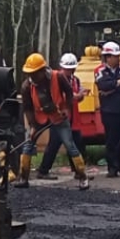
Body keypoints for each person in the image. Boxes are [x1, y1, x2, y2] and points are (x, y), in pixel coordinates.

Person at [18, 53, 89, 190]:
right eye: (29, 73)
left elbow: (69, 92)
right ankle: (23, 177)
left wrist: (67, 109)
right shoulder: (27, 86)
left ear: (42, 71)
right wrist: (33, 126)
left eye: (34, 73)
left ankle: (82, 177)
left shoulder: (58, 77)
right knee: (28, 145)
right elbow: (27, 108)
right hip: (39, 119)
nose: (32, 76)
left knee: (70, 145)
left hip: (58, 116)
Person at [35, 53, 89, 180]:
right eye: (67, 68)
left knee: (76, 143)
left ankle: (77, 170)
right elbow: (56, 96)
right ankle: (43, 170)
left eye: (72, 69)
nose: (70, 71)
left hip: (73, 117)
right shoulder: (55, 79)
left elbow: (78, 95)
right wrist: (75, 96)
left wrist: (79, 96)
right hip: (58, 117)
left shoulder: (75, 80)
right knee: (54, 144)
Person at [95, 41, 120, 178]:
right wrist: (117, 83)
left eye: (118, 56)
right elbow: (102, 85)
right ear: (107, 57)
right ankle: (112, 167)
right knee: (112, 139)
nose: (118, 58)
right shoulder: (100, 71)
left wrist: (112, 88)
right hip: (109, 111)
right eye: (115, 56)